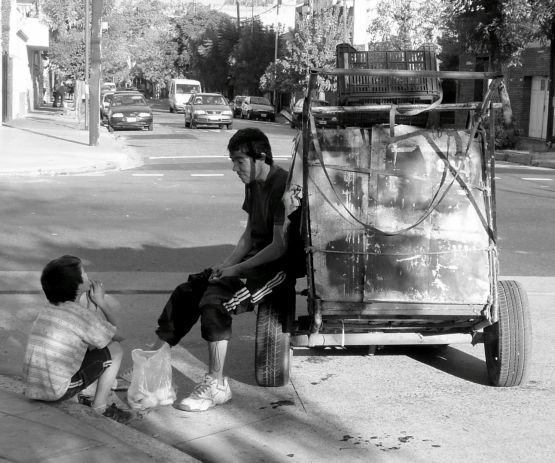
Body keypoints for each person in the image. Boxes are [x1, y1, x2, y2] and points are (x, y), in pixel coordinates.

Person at [151, 128, 296, 412]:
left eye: (239, 161)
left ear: (261, 157)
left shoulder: (282, 186)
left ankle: (217, 385)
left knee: (215, 305)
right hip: (251, 263)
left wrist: (236, 270)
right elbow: (249, 236)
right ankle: (151, 366)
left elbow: (278, 247)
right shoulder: (253, 184)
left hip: (275, 271)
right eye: (232, 161)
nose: (234, 168)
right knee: (189, 290)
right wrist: (225, 266)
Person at [22, 255, 132, 423]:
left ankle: (85, 394)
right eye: (84, 272)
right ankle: (100, 407)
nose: (88, 275)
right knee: (115, 349)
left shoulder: (48, 308)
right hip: (56, 391)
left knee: (94, 347)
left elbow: (87, 340)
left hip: (33, 386)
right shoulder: (80, 315)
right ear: (78, 285)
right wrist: (102, 302)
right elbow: (121, 334)